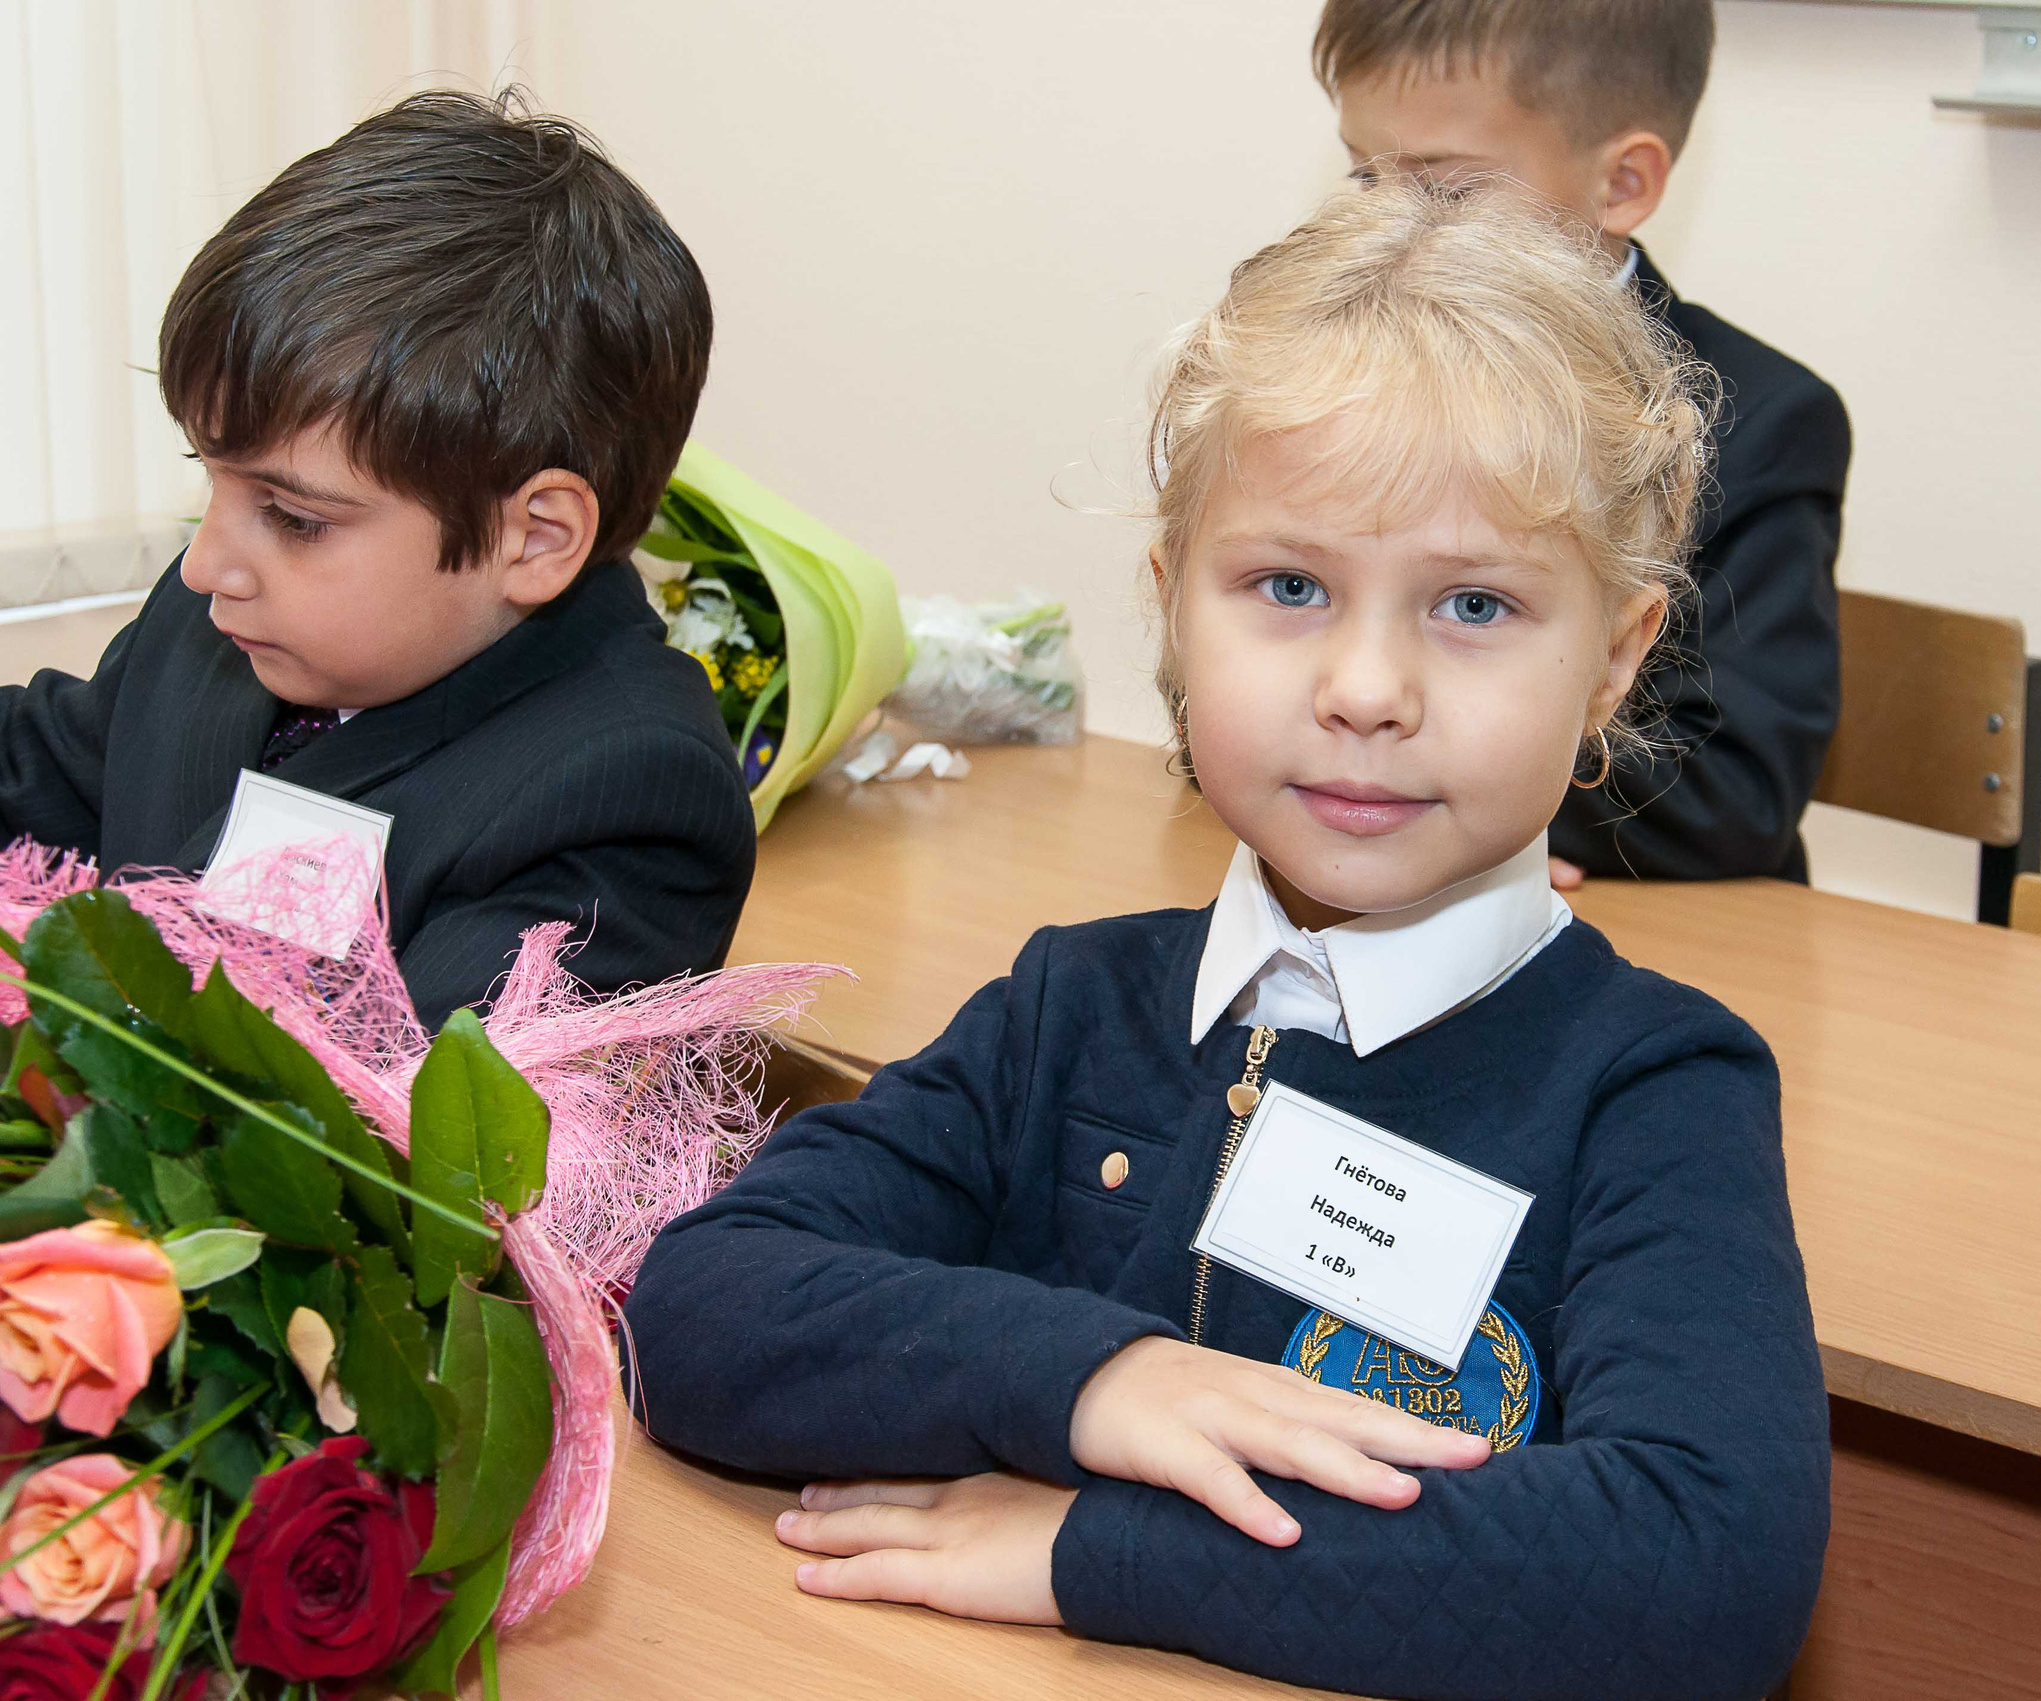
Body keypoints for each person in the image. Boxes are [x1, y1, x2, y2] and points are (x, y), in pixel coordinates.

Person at [625, 184, 1827, 1701]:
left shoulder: (1655, 1087)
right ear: (1173, 616)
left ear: (1614, 662)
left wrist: (1097, 1553)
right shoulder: (1076, 1004)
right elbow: (700, 1310)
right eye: (1288, 587)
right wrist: (1104, 1383)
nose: (1367, 685)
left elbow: (1704, 1577)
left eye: (1473, 603)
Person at [0, 91, 757, 1026]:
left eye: (293, 515)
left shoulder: (624, 796)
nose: (205, 564)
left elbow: (370, 1134)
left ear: (537, 538)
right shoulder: (229, 618)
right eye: (214, 476)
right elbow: (40, 774)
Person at [1317, 0, 1850, 886]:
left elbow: (1731, 793)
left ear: (1624, 183)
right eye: (1365, 183)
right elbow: (1228, 683)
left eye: (1446, 187)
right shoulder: (1322, 380)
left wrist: (1466, 817)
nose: (1391, 228)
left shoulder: (1758, 418)